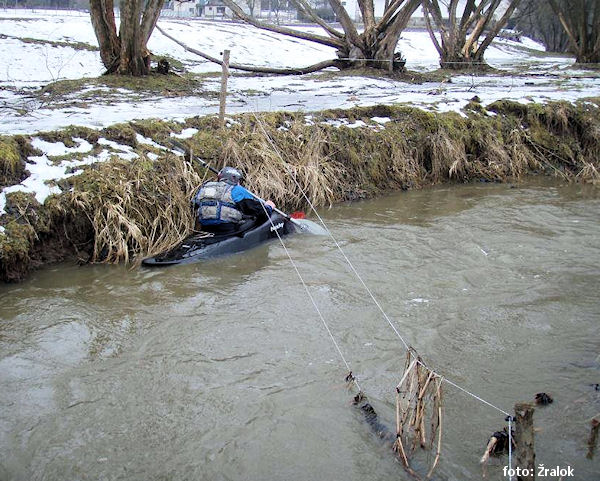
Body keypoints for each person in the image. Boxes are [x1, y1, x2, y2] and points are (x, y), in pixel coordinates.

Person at [192, 166, 276, 235]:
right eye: (239, 180)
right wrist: (268, 207)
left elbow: (195, 204)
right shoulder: (237, 190)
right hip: (227, 230)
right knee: (257, 219)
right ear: (234, 179)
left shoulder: (205, 187)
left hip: (205, 228)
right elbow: (260, 212)